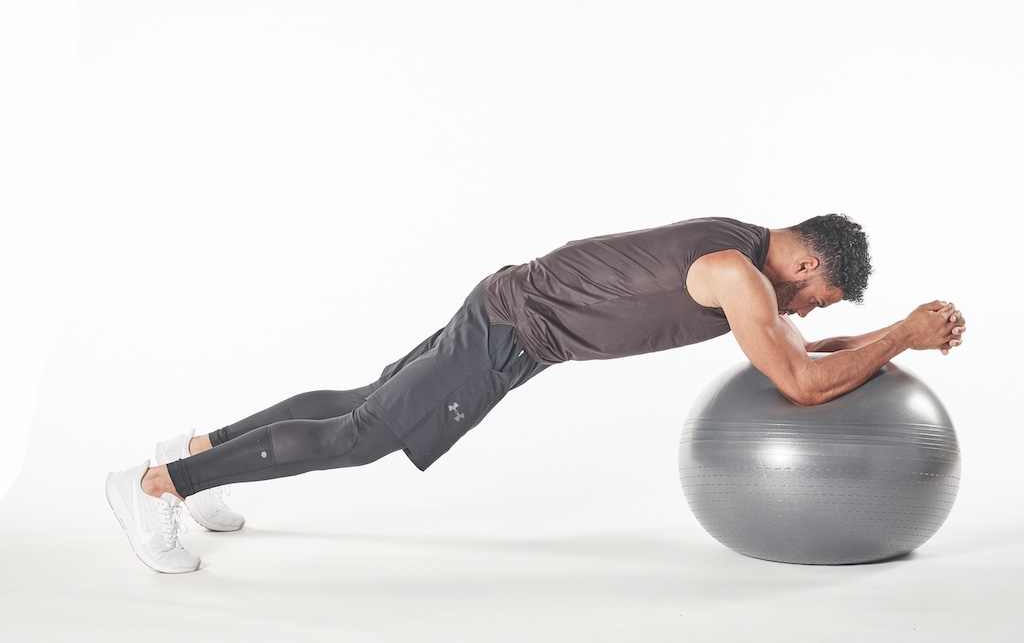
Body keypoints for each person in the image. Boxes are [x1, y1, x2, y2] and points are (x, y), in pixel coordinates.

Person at [105, 214, 966, 573]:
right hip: (510, 332)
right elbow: (803, 383)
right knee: (363, 433)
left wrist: (891, 336)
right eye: (817, 295)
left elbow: (803, 355)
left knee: (363, 398)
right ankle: (155, 489)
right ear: (809, 262)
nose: (806, 310)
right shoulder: (737, 275)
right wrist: (902, 337)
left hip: (503, 306)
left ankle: (195, 454)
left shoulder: (742, 255)